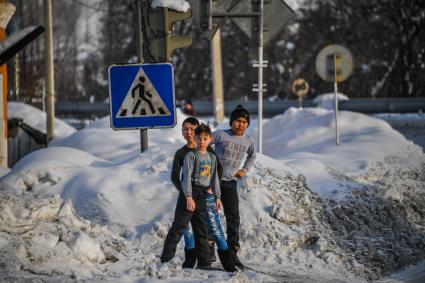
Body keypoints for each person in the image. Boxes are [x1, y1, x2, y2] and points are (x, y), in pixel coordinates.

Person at [161, 123, 236, 272]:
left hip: (203, 194)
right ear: (195, 139)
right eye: (199, 138)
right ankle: (165, 260)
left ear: (210, 140)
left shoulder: (211, 157)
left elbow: (214, 178)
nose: (202, 141)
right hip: (189, 193)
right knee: (180, 226)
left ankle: (204, 263)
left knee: (201, 230)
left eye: (205, 138)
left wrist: (217, 197)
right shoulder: (191, 155)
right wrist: (188, 196)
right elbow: (186, 177)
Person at [210, 105, 256, 268]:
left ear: (247, 124)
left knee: (233, 219)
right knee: (211, 216)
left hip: (230, 184)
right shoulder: (221, 135)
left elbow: (252, 156)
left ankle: (232, 253)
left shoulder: (248, 141)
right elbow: (203, 143)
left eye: (244, 122)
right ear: (231, 122)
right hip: (212, 182)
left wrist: (244, 170)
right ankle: (208, 251)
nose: (240, 124)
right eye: (237, 121)